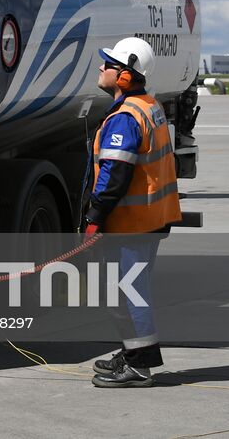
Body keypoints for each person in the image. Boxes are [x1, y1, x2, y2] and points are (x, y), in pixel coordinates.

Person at [82, 36, 181, 388]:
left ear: (124, 77)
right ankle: (133, 354)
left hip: (132, 223)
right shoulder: (148, 105)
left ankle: (140, 367)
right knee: (127, 291)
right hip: (150, 219)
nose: (100, 67)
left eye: (107, 64)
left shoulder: (126, 117)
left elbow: (114, 175)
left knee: (128, 293)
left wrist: (94, 218)